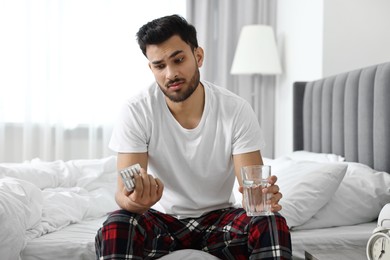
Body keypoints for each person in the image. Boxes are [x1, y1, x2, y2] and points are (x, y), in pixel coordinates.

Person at [95, 14, 292, 260]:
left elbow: (251, 187)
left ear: (198, 56)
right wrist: (138, 203)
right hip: (161, 222)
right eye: (160, 66)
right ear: (151, 68)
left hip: (219, 221)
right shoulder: (136, 110)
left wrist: (265, 199)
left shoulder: (235, 109)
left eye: (179, 60)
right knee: (116, 225)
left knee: (270, 222)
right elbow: (122, 194)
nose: (171, 74)